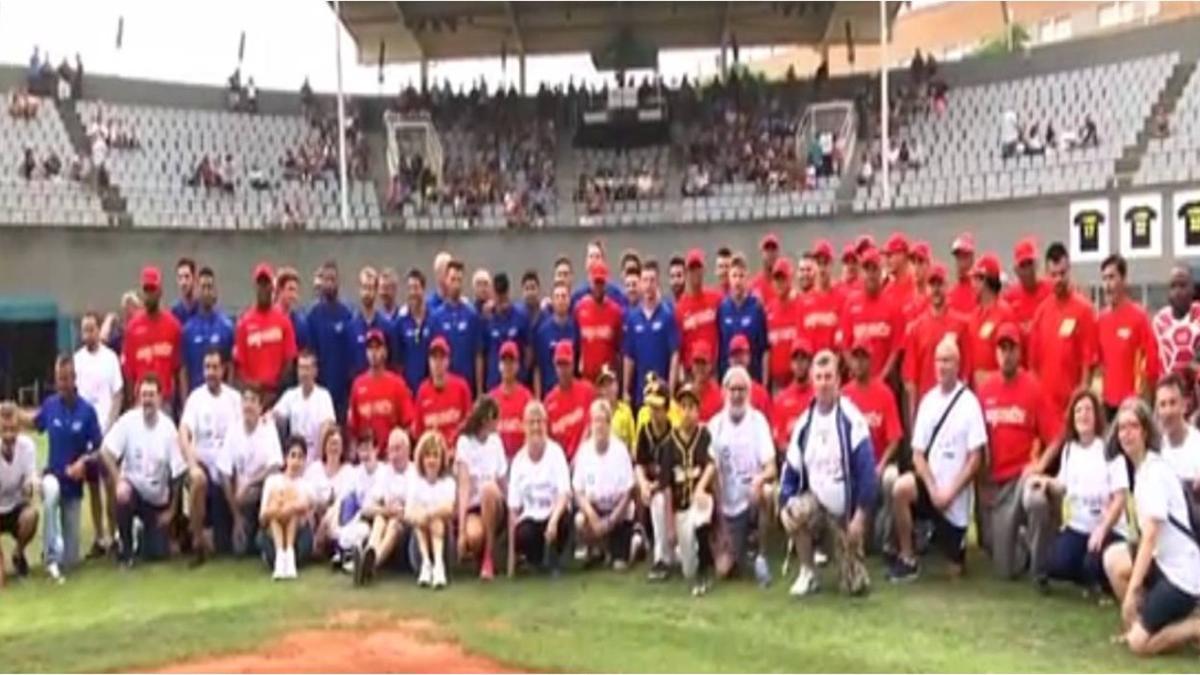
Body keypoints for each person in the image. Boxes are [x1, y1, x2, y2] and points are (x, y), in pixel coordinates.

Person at [779, 350, 878, 597]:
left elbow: (867, 473)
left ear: (838, 381)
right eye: (819, 377)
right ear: (813, 381)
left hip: (845, 515)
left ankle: (846, 561)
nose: (823, 383)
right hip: (815, 509)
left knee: (855, 588)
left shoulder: (851, 420)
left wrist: (860, 517)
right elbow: (789, 472)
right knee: (793, 510)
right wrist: (785, 504)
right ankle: (808, 572)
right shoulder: (804, 424)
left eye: (828, 377)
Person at [888, 339, 986, 581]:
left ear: (958, 365)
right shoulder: (928, 401)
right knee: (900, 488)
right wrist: (932, 489)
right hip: (931, 487)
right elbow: (918, 454)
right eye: (938, 360)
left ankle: (943, 540)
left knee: (954, 574)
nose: (942, 366)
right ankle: (907, 557)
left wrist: (949, 493)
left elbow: (976, 459)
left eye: (948, 360)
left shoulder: (969, 403)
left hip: (954, 499)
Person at [1113, 398, 1200, 656]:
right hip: (1166, 564)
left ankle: (1194, 628)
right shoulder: (1143, 470)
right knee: (1115, 564)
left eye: (1132, 427)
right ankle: (1152, 623)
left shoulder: (1153, 473)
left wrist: (1132, 591)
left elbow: (1150, 536)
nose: (1126, 434)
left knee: (1139, 646)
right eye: (1121, 428)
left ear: (1145, 431)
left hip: (1182, 574)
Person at [1025, 389, 1130, 595]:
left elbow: (1120, 498)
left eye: (1088, 410)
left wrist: (1102, 529)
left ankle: (1099, 575)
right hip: (1079, 528)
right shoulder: (1069, 449)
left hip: (1107, 528)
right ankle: (1089, 575)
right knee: (1055, 565)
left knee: (1092, 564)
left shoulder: (1110, 449)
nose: (1083, 415)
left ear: (1097, 415)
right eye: (1078, 410)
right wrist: (1045, 482)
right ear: (1072, 418)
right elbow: (1063, 484)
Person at [975, 324, 1056, 580]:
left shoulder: (1033, 387)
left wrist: (1041, 464)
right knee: (1003, 566)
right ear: (996, 353)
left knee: (1037, 501)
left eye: (1012, 348)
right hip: (993, 484)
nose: (1006, 354)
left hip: (1020, 477)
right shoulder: (985, 389)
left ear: (1020, 352)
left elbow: (1057, 435)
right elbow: (976, 443)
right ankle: (1022, 543)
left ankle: (1040, 566)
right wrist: (980, 483)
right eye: (1002, 348)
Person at [102, 374, 187, 567]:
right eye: (144, 395)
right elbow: (106, 452)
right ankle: (126, 549)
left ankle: (142, 532)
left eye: (151, 395)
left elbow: (179, 474)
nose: (147, 400)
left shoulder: (168, 429)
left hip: (157, 502)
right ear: (139, 397)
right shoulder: (128, 421)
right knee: (123, 496)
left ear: (160, 398)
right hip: (133, 493)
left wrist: (171, 511)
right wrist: (119, 481)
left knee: (157, 554)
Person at [32, 356, 103, 582]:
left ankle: (58, 552)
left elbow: (98, 449)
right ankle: (50, 553)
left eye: (65, 379)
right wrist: (8, 415)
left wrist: (84, 462)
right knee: (50, 492)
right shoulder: (50, 405)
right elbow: (34, 423)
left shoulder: (87, 411)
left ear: (74, 379)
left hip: (73, 486)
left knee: (71, 561)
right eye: (58, 379)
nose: (61, 384)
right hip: (52, 478)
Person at [710, 366, 777, 586]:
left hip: (753, 498)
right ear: (725, 392)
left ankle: (762, 556)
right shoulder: (715, 426)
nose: (737, 395)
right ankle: (736, 548)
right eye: (733, 389)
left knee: (768, 492)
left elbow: (771, 467)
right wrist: (720, 520)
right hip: (727, 507)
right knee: (724, 570)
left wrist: (760, 479)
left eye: (742, 389)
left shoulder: (758, 422)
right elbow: (711, 475)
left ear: (748, 392)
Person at [179, 349, 243, 562]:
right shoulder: (195, 399)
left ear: (223, 370)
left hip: (227, 472)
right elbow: (183, 432)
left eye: (215, 367)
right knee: (197, 479)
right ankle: (197, 541)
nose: (210, 372)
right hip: (204, 466)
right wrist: (192, 464)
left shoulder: (234, 399)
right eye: (207, 367)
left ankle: (232, 527)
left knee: (225, 547)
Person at [1028, 242, 1098, 429]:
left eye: (1062, 273)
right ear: (1046, 274)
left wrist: (1079, 406)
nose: (1059, 279)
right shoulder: (1041, 312)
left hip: (1072, 411)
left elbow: (1088, 364)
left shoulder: (1084, 311)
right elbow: (1033, 367)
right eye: (1054, 275)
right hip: (1046, 411)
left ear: (1069, 270)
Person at [658, 384, 716, 595]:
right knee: (687, 570)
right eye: (683, 406)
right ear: (677, 410)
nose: (687, 411)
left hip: (700, 502)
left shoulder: (704, 435)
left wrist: (701, 488)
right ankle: (696, 564)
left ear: (698, 411)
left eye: (692, 406)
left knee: (702, 508)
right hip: (681, 510)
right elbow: (666, 489)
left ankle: (705, 570)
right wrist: (670, 527)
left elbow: (711, 464)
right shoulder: (668, 445)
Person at [72, 312, 121, 556]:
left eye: (92, 329)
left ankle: (115, 535)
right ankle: (100, 537)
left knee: (110, 484)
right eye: (85, 330)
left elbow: (118, 394)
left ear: (98, 330)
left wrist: (110, 425)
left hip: (107, 431)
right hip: (86, 432)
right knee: (93, 487)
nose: (88, 334)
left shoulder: (110, 358)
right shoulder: (77, 360)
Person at [507, 401, 572, 578]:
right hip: (531, 518)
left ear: (546, 424)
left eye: (540, 422)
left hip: (554, 515)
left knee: (563, 521)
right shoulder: (518, 461)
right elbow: (513, 509)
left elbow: (565, 493)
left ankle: (555, 558)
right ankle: (535, 561)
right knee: (523, 534)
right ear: (524, 426)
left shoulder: (556, 453)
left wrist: (553, 520)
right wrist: (511, 560)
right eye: (531, 422)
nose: (536, 427)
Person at [572, 400, 635, 570]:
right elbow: (578, 492)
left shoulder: (620, 451)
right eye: (595, 421)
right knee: (580, 520)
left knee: (619, 566)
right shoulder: (584, 452)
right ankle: (596, 549)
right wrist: (592, 516)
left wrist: (611, 521)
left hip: (618, 513)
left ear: (609, 424)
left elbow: (628, 492)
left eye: (603, 421)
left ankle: (635, 543)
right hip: (596, 509)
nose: (599, 426)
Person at [1097, 254, 1160, 420]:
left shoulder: (1139, 317)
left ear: (1123, 280)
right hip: (1108, 406)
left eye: (1112, 277)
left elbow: (1152, 365)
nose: (1107, 285)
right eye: (1104, 279)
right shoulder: (1100, 320)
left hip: (1133, 405)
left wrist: (1145, 403)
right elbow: (1098, 366)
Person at [903, 263, 968, 423]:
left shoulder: (960, 325)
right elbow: (911, 380)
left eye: (940, 284)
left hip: (954, 407)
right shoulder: (916, 328)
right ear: (927, 288)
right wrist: (914, 418)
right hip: (928, 408)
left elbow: (966, 372)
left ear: (947, 287)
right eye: (932, 284)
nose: (936, 289)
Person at [225, 385, 283, 555]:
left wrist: (250, 482)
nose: (248, 405)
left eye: (253, 401)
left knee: (273, 482)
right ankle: (241, 526)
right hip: (239, 499)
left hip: (261, 492)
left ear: (260, 407)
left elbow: (275, 466)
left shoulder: (268, 428)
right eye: (245, 401)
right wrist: (235, 516)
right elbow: (225, 473)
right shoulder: (233, 430)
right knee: (239, 551)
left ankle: (265, 531)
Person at [455, 397, 508, 580]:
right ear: (487, 419)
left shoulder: (496, 442)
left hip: (494, 502)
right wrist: (461, 531)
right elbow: (463, 486)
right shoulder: (464, 443)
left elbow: (502, 481)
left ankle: (488, 557)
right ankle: (477, 553)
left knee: (488, 489)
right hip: (474, 507)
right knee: (474, 536)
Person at [350, 428, 411, 586]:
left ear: (407, 450)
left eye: (398, 449)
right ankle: (369, 557)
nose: (394, 455)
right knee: (379, 519)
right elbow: (366, 508)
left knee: (392, 524)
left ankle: (372, 563)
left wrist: (396, 512)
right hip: (386, 522)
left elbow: (413, 510)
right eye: (391, 449)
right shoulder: (385, 473)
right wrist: (386, 511)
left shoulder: (415, 473)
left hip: (406, 532)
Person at [122, 266, 183, 412]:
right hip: (140, 401)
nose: (150, 295)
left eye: (153, 289)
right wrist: (131, 403)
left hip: (165, 402)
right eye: (146, 290)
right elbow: (129, 372)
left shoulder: (173, 326)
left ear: (160, 291)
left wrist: (181, 403)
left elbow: (178, 370)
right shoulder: (132, 328)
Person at [337, 430, 398, 575]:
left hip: (379, 518)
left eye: (368, 449)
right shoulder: (355, 473)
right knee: (348, 502)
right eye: (361, 449)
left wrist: (380, 510)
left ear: (376, 450)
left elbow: (379, 503)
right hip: (363, 515)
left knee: (371, 524)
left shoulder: (385, 471)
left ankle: (365, 560)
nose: (365, 454)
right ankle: (347, 554)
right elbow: (347, 501)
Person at [347, 329, 414, 457]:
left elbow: (409, 424)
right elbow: (353, 429)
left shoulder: (397, 384)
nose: (374, 352)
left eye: (378, 348)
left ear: (385, 352)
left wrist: (398, 450)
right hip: (366, 457)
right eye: (370, 348)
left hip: (391, 457)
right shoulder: (358, 385)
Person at [235, 263, 298, 399]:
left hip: (278, 396)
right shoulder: (244, 323)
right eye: (260, 284)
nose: (263, 288)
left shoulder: (283, 321)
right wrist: (253, 388)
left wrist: (275, 389)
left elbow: (289, 361)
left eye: (266, 284)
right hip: (252, 397)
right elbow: (240, 366)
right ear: (255, 287)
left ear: (272, 288)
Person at [840, 248, 903, 381]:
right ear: (862, 273)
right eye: (867, 270)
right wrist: (855, 370)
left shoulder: (893, 305)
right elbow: (845, 345)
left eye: (874, 269)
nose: (871, 274)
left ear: (881, 272)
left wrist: (882, 377)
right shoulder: (850, 304)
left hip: (885, 380)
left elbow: (895, 349)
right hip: (857, 380)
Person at [623, 259, 680, 409]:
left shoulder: (667, 315)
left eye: (652, 280)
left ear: (658, 283)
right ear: (641, 284)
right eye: (645, 280)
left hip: (662, 393)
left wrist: (671, 391)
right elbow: (629, 357)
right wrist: (625, 390)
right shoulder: (633, 318)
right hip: (640, 394)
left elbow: (675, 354)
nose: (648, 285)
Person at [306, 260, 356, 423]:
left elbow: (351, 353)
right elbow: (310, 353)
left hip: (342, 391)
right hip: (320, 389)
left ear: (338, 282)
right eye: (326, 279)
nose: (329, 284)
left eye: (332, 279)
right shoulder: (313, 315)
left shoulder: (347, 313)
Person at [406, 431, 456, 589]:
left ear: (442, 459)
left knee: (437, 519)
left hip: (445, 545)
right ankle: (426, 564)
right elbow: (408, 512)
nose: (432, 460)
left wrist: (428, 514)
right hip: (419, 547)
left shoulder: (448, 482)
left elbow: (449, 508)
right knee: (420, 516)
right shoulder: (415, 482)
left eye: (436, 456)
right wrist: (421, 517)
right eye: (428, 456)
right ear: (421, 459)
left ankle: (439, 566)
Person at [259, 436, 313, 581]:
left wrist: (289, 507)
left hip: (298, 538)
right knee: (277, 502)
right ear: (285, 458)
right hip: (273, 531)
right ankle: (280, 556)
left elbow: (305, 506)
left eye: (300, 457)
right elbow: (263, 515)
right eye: (293, 456)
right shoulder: (272, 481)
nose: (296, 461)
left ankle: (289, 556)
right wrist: (279, 510)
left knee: (292, 507)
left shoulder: (306, 485)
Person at [639, 376, 676, 579]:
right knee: (655, 499)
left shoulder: (674, 433)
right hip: (654, 487)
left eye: (658, 408)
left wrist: (652, 487)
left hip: (673, 491)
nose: (654, 412)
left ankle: (667, 554)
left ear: (667, 408)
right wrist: (643, 483)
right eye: (651, 407)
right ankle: (660, 558)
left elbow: (667, 479)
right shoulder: (645, 431)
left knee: (659, 499)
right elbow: (639, 463)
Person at [429, 259, 484, 396]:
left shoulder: (472, 315)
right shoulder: (436, 317)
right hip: (443, 386)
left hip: (467, 385)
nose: (456, 284)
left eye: (459, 280)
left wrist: (479, 390)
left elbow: (478, 354)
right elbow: (431, 356)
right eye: (453, 279)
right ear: (446, 280)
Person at [271, 350, 335, 465]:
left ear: (315, 371)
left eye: (307, 368)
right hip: (295, 455)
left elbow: (328, 426)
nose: (303, 373)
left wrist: (319, 461)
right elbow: (275, 415)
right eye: (301, 368)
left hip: (316, 455)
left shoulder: (323, 396)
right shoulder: (290, 395)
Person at [179, 267, 234, 395]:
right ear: (197, 291)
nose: (206, 292)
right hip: (196, 395)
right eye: (202, 287)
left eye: (209, 287)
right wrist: (185, 401)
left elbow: (231, 367)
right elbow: (184, 370)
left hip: (219, 396)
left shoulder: (226, 326)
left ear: (215, 291)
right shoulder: (188, 329)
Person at [0, 403, 38, 583]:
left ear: (20, 428)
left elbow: (31, 476)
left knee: (31, 516)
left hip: (16, 506)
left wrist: (29, 486)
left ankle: (18, 552)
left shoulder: (27, 446)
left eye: (13, 429)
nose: (9, 435)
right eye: (4, 429)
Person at [303, 426, 354, 561]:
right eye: (331, 443)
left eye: (337, 444)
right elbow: (308, 495)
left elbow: (342, 501)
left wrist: (325, 520)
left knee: (337, 510)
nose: (334, 448)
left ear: (343, 447)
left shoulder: (349, 471)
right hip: (315, 514)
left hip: (336, 517)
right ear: (324, 446)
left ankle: (332, 547)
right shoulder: (314, 469)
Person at [965, 254, 1015, 389]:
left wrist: (990, 378)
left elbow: (1011, 358)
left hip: (1000, 389)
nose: (972, 284)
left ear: (985, 281)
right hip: (976, 392)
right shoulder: (975, 316)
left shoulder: (1004, 313)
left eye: (976, 279)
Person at [413, 336, 473, 448]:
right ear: (429, 361)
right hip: (432, 456)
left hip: (457, 454)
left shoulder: (461, 387)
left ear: (448, 361)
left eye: (442, 358)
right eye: (434, 358)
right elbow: (418, 432)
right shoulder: (423, 391)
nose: (437, 363)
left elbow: (469, 426)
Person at [717, 254, 767, 380]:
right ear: (729, 278)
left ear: (747, 278)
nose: (737, 280)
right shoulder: (723, 308)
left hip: (753, 376)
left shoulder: (756, 307)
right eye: (734, 276)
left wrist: (765, 381)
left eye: (741, 276)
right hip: (729, 378)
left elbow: (765, 349)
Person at [675, 249, 722, 384]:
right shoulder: (680, 307)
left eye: (698, 268)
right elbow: (678, 346)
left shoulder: (716, 299)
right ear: (686, 273)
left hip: (712, 370)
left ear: (703, 270)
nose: (695, 273)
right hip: (691, 371)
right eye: (691, 269)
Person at [1156, 374, 1200, 515]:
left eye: (1173, 403)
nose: (1168, 411)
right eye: (1163, 404)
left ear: (1184, 406)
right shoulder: (1155, 450)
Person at [575, 261, 624, 387]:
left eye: (601, 283)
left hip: (607, 379)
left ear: (606, 283)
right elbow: (576, 343)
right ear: (590, 282)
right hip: (586, 380)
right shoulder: (580, 309)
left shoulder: (615, 311)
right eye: (596, 282)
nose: (598, 287)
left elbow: (620, 348)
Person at [545, 341, 595, 462]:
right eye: (559, 365)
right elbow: (548, 440)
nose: (563, 369)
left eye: (566, 364)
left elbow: (592, 427)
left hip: (586, 458)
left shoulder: (587, 391)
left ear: (573, 365)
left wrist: (578, 457)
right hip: (560, 462)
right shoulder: (549, 400)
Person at [483, 273, 531, 392]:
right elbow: (481, 353)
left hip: (517, 382)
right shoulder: (487, 318)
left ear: (508, 292)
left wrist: (522, 373)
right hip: (494, 382)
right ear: (493, 293)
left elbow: (529, 350)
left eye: (503, 296)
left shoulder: (521, 316)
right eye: (498, 296)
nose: (501, 300)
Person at [533, 281, 579, 399]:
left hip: (571, 392)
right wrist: (538, 397)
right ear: (552, 301)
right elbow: (537, 367)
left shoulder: (576, 327)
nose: (560, 300)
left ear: (569, 300)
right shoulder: (542, 331)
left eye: (564, 296)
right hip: (549, 391)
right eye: (557, 297)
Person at [1153, 264, 1200, 378]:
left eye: (1183, 285)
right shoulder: (1159, 322)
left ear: (1192, 289)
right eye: (1173, 286)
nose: (1177, 291)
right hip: (1169, 391)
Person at [770, 339, 816, 454]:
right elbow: (779, 439)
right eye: (796, 359)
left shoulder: (819, 395)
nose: (799, 363)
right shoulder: (781, 399)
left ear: (810, 362)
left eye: (803, 358)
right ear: (791, 364)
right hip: (791, 458)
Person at [490, 341, 534, 458]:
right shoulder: (491, 399)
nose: (507, 366)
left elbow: (532, 433)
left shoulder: (527, 397)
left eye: (511, 362)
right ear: (499, 366)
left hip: (521, 458)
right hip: (497, 461)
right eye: (504, 362)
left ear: (517, 366)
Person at [796, 251, 843, 356]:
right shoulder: (803, 301)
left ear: (831, 265)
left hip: (835, 364)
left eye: (825, 263)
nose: (822, 269)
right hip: (811, 365)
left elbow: (843, 337)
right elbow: (801, 339)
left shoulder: (841, 298)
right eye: (819, 263)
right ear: (814, 267)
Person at [764, 257, 801, 390]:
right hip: (776, 382)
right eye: (776, 279)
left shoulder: (800, 304)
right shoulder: (768, 310)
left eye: (783, 279)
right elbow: (766, 350)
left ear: (790, 279)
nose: (779, 283)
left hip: (797, 379)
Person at [1001, 238, 1052, 334]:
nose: (1027, 270)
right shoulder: (1009, 297)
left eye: (1030, 263)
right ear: (1016, 270)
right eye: (1023, 265)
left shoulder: (1051, 290)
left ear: (1036, 264)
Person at [350, 266, 393, 379]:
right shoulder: (351, 326)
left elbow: (393, 363)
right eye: (364, 288)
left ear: (376, 290)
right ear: (359, 290)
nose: (367, 293)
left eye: (370, 288)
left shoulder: (387, 326)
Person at [395, 268, 431, 394]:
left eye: (416, 287)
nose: (412, 292)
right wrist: (403, 386)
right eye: (409, 288)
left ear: (423, 289)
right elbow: (397, 361)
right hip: (408, 391)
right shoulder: (400, 322)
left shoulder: (434, 320)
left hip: (430, 389)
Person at [727, 335, 773, 417]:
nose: (738, 359)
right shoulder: (723, 393)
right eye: (735, 355)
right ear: (729, 360)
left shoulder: (761, 394)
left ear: (749, 357)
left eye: (742, 354)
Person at [597, 365, 635, 452]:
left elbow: (633, 442)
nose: (608, 389)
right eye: (604, 386)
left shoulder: (626, 411)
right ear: (600, 390)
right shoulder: (596, 412)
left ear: (617, 386)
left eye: (610, 384)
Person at [947, 233, 978, 319]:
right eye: (958, 257)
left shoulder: (982, 290)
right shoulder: (950, 293)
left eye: (965, 257)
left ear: (972, 258)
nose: (961, 263)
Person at [750, 233, 782, 306]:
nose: (770, 254)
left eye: (773, 250)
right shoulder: (753, 285)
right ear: (762, 254)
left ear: (778, 253)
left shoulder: (784, 285)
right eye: (767, 250)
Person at [171, 257, 199, 325]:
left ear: (195, 278)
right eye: (180, 277)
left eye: (187, 277)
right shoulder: (174, 310)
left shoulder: (203, 308)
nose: (183, 282)